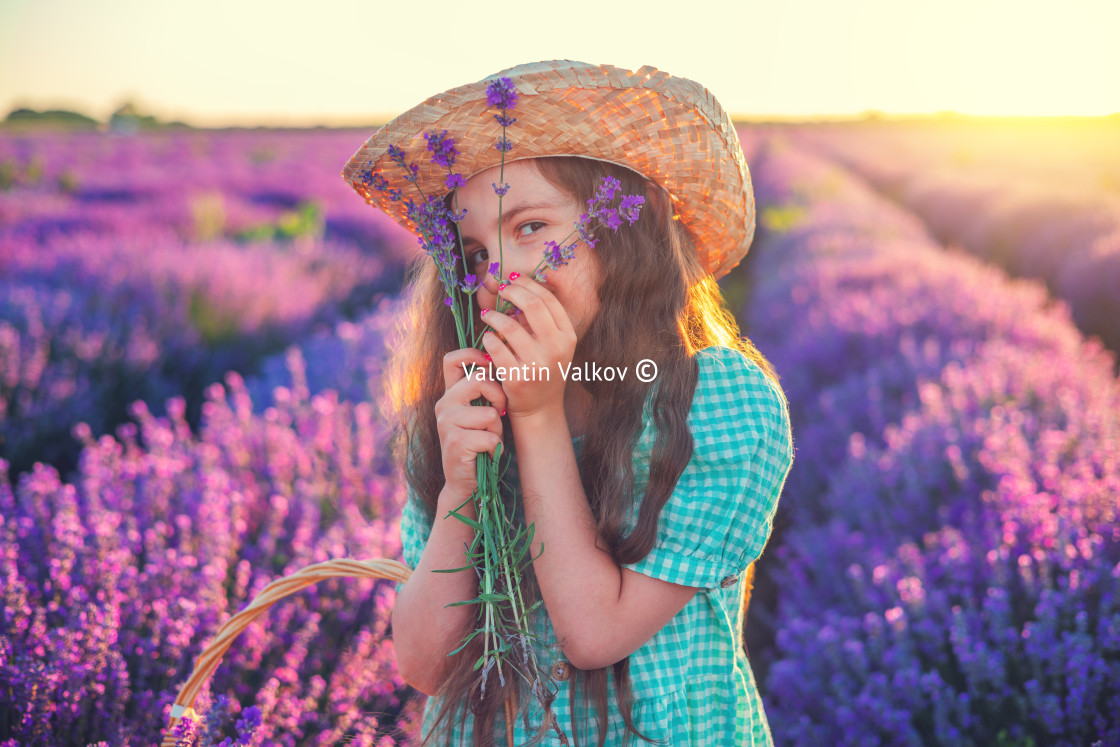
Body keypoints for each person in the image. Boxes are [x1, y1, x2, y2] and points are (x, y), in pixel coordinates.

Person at [343, 61, 794, 747]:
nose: (499, 274)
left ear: (624, 235)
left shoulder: (717, 405)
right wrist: (462, 485)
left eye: (528, 228)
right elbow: (423, 663)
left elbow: (593, 632)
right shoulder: (461, 411)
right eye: (473, 251)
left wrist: (538, 415)